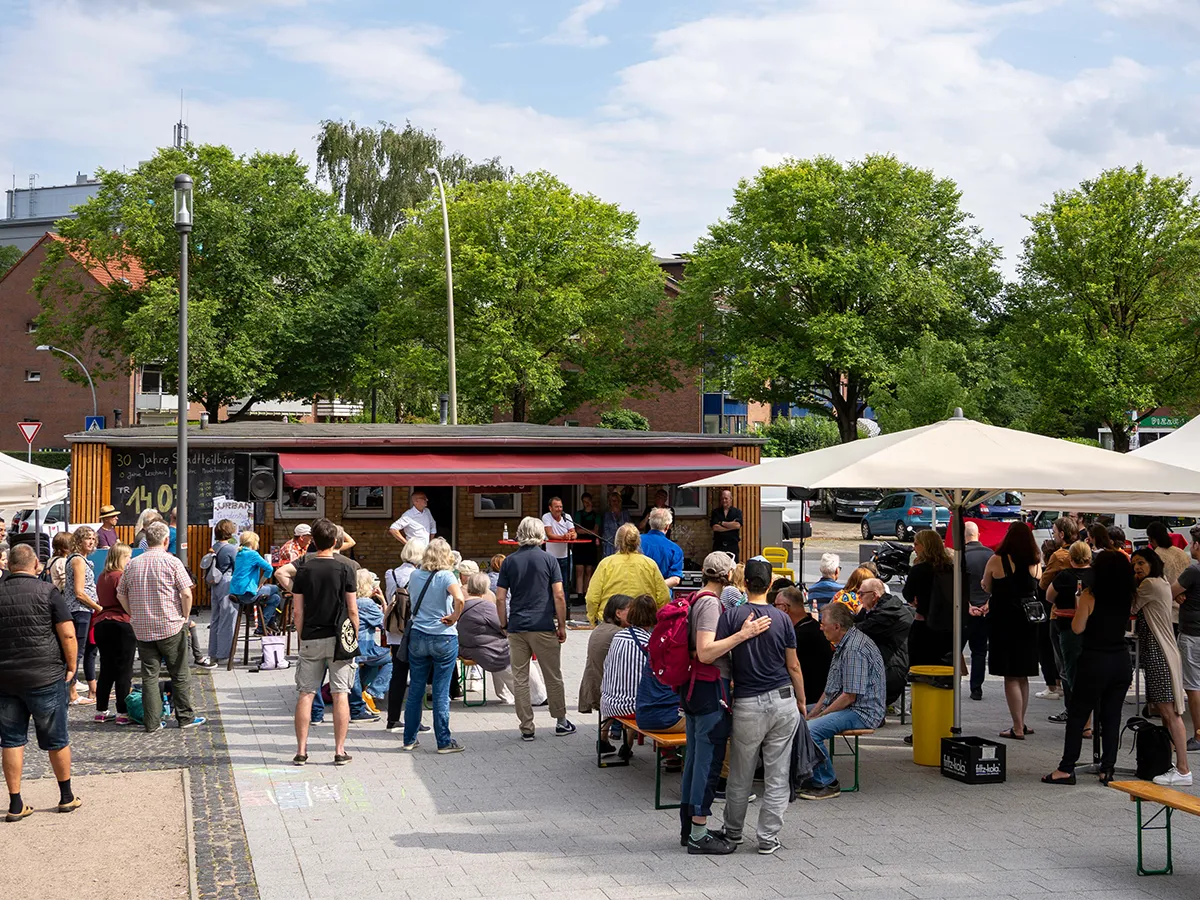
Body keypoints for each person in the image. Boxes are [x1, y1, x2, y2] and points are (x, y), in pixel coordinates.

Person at [715, 559, 804, 855]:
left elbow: (719, 657)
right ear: (769, 585)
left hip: (747, 701)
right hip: (782, 698)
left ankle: (733, 831)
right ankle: (768, 837)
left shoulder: (731, 616)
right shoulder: (782, 619)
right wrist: (801, 700)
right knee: (777, 774)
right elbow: (793, 665)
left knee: (741, 773)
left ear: (744, 584)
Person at [683, 551, 769, 854]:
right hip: (709, 689)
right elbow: (706, 652)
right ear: (728, 575)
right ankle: (698, 834)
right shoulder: (710, 604)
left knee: (695, 759)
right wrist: (743, 635)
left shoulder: (697, 598)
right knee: (707, 763)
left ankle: (688, 830)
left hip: (696, 688)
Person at [0, 544, 80, 822]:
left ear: (9, 565)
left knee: (11, 740)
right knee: (56, 739)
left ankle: (15, 803)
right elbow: (67, 634)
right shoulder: (48, 592)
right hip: (45, 675)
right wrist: (72, 666)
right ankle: (66, 797)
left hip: (6, 678)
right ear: (36, 565)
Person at [1043, 549, 1135, 785]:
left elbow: (1077, 627)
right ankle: (1107, 768)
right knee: (1112, 717)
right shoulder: (1127, 595)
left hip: (1095, 659)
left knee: (1077, 715)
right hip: (1121, 660)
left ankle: (1066, 768)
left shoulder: (1090, 595)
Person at [116, 521, 205, 732]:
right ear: (166, 540)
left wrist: (133, 613)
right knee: (179, 672)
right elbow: (186, 593)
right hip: (170, 625)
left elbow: (120, 594)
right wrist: (185, 616)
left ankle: (152, 722)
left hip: (143, 628)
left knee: (149, 675)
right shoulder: (172, 562)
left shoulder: (132, 564)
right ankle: (185, 717)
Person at [496, 517, 574, 741]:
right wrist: (561, 625)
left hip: (517, 625)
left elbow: (500, 598)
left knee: (520, 678)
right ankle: (560, 721)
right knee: (553, 675)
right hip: (543, 624)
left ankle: (527, 727)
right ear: (541, 534)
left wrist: (503, 624)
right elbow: (559, 595)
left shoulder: (509, 562)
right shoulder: (549, 560)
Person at [800, 602, 887, 801]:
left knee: (810, 730)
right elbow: (830, 690)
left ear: (837, 626)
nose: (820, 627)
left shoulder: (854, 649)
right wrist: (812, 712)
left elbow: (850, 696)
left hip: (863, 711)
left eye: (823, 624)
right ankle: (807, 774)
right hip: (850, 705)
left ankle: (827, 782)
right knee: (794, 716)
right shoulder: (844, 643)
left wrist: (820, 716)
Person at [291, 518, 359, 766]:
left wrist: (302, 636)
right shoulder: (345, 569)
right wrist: (354, 635)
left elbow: (297, 611)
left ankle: (301, 750)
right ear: (335, 541)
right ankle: (339, 750)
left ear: (313, 541)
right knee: (341, 694)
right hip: (339, 637)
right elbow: (352, 609)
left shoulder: (303, 569)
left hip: (311, 635)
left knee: (306, 693)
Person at [1130, 549, 1192, 785]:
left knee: (1170, 713)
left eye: (1141, 563)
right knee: (1167, 714)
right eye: (1134, 564)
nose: (1137, 567)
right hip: (1163, 651)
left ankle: (1183, 770)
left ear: (1152, 563)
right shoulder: (1161, 580)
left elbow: (1131, 607)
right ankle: (1172, 765)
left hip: (1159, 653)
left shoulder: (1150, 585)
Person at [401, 538, 466, 753]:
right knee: (440, 691)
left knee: (415, 689)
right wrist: (454, 616)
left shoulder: (415, 575)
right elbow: (460, 599)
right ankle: (443, 741)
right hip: (443, 636)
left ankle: (409, 739)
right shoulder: (446, 575)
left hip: (418, 634)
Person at [600, 594, 681, 756]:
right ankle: (635, 747)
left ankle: (613, 741)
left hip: (607, 701)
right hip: (632, 708)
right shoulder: (650, 642)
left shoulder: (618, 636)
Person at [983, 522, 1042, 741]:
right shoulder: (1036, 562)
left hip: (1005, 622)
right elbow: (1037, 585)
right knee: (1023, 675)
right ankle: (1021, 722)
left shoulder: (997, 560)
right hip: (1028, 623)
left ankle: (1017, 727)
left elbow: (987, 586)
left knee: (1010, 676)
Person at [458, 572, 535, 705]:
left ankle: (505, 695)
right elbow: (503, 626)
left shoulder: (463, 604)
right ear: (485, 588)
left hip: (466, 647)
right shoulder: (485, 606)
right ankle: (535, 696)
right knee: (517, 650)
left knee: (501, 650)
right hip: (485, 650)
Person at [382, 538, 428, 735]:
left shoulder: (390, 573)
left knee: (398, 675)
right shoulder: (420, 575)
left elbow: (389, 597)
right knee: (417, 676)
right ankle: (414, 721)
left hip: (395, 631)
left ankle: (392, 719)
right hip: (414, 629)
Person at [1045, 541, 1092, 725]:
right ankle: (1088, 717)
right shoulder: (1096, 575)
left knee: (1069, 670)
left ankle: (1076, 712)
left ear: (1071, 558)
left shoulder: (1064, 576)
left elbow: (1049, 596)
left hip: (1067, 627)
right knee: (1089, 669)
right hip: (1092, 628)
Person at [585, 524, 669, 624]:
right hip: (642, 620)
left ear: (617, 541)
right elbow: (664, 597)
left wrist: (593, 619)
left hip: (611, 620)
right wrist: (656, 618)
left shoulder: (606, 564)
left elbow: (592, 598)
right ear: (638, 541)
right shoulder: (650, 564)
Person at [853, 577, 913, 711]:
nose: (859, 598)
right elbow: (856, 622)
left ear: (874, 595)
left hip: (892, 669)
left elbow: (858, 630)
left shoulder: (887, 613)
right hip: (884, 662)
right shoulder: (877, 607)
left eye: (861, 594)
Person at [92, 542, 135, 725]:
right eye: (128, 557)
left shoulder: (103, 576)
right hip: (121, 621)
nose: (130, 560)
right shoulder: (121, 576)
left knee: (106, 668)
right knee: (124, 669)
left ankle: (101, 710)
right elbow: (125, 598)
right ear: (121, 558)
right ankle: (122, 712)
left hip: (102, 622)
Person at [903, 530, 955, 667]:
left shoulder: (919, 569)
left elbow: (907, 594)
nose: (914, 548)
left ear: (925, 545)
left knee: (920, 666)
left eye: (916, 544)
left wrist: (915, 601)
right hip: (948, 625)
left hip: (924, 624)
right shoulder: (951, 568)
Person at [773, 586, 832, 704]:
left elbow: (792, 667)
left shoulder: (797, 636)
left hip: (808, 699)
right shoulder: (815, 626)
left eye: (775, 606)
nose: (773, 610)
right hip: (820, 694)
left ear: (784, 608)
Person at [578, 593, 632, 717]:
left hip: (594, 687)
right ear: (618, 613)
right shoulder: (619, 634)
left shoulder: (601, 628)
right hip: (608, 692)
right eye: (631, 610)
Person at [64, 526, 101, 705]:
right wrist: (98, 607)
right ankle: (72, 694)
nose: (91, 542)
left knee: (80, 651)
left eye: (93, 538)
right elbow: (79, 592)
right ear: (78, 540)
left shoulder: (81, 559)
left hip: (83, 610)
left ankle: (73, 691)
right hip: (80, 610)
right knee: (76, 652)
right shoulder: (78, 560)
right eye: (87, 538)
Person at [1172, 525, 1200, 752]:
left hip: (1193, 633)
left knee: (1193, 685)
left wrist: (1180, 594)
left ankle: (1199, 735)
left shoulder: (1193, 571)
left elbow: (1170, 591)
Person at [352, 569, 391, 715]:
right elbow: (385, 624)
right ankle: (372, 692)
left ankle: (362, 691)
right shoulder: (367, 603)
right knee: (392, 658)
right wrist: (383, 600)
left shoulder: (349, 600)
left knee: (373, 664)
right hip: (365, 649)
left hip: (351, 647)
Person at [962, 521, 993, 701]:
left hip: (966, 610)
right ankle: (976, 688)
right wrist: (988, 602)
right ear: (978, 535)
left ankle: (951, 683)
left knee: (956, 649)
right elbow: (997, 583)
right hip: (985, 610)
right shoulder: (991, 555)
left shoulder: (961, 556)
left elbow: (957, 585)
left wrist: (967, 605)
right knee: (980, 651)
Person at [230, 531, 281, 626]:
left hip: (236, 592)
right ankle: (264, 626)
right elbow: (269, 568)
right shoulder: (253, 554)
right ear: (254, 542)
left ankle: (267, 625)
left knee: (275, 598)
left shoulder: (239, 553)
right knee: (276, 588)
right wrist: (261, 583)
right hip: (248, 593)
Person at [205, 519, 239, 662]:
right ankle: (224, 654)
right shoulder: (231, 549)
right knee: (227, 619)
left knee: (215, 619)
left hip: (215, 583)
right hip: (227, 583)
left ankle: (213, 653)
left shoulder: (214, 547)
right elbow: (237, 567)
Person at [641, 507, 684, 589]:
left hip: (637, 592)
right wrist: (655, 587)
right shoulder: (675, 549)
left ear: (650, 523)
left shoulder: (636, 542)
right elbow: (675, 579)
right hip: (662, 594)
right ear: (668, 526)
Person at [541, 497, 577, 592]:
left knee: (566, 584)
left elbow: (574, 533)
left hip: (566, 555)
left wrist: (572, 535)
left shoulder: (567, 517)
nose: (559, 509)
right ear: (550, 508)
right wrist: (563, 537)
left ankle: (565, 601)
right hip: (551, 556)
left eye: (561, 507)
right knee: (551, 584)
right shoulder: (546, 517)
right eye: (556, 507)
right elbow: (549, 534)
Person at [574, 492, 601, 600]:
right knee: (579, 569)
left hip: (591, 545)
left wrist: (585, 531)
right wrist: (590, 532)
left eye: (588, 501)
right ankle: (579, 594)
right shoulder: (578, 514)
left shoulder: (596, 515)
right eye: (584, 502)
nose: (587, 504)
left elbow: (596, 531)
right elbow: (577, 529)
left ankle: (587, 594)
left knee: (589, 570)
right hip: (579, 545)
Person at [1148, 521, 1191, 586]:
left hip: (1168, 590)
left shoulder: (1155, 556)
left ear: (1151, 539)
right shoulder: (1181, 552)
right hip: (1187, 588)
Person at [710, 489, 743, 561]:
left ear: (731, 499)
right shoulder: (715, 512)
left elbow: (737, 525)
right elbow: (715, 527)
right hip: (718, 545)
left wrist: (721, 523)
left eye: (726, 498)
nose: (724, 500)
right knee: (717, 565)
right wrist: (731, 526)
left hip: (732, 545)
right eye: (722, 498)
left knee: (733, 565)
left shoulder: (737, 512)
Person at [601, 491, 631, 560]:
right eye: (612, 501)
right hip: (609, 544)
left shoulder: (625, 513)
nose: (614, 503)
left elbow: (629, 527)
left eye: (616, 501)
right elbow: (605, 530)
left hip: (623, 543)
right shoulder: (606, 514)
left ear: (619, 501)